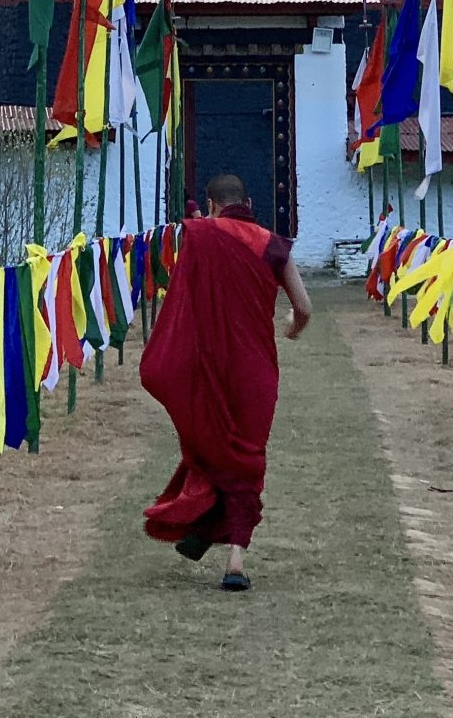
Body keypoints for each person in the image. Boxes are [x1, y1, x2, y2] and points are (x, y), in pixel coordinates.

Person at [139, 173, 311, 591]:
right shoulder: (273, 244)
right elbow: (304, 307)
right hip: (255, 372)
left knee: (211, 445)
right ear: (248, 201)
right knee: (246, 460)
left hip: (210, 365)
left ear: (212, 205)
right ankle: (235, 559)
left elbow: (183, 302)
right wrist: (291, 327)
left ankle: (202, 522)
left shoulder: (197, 236)